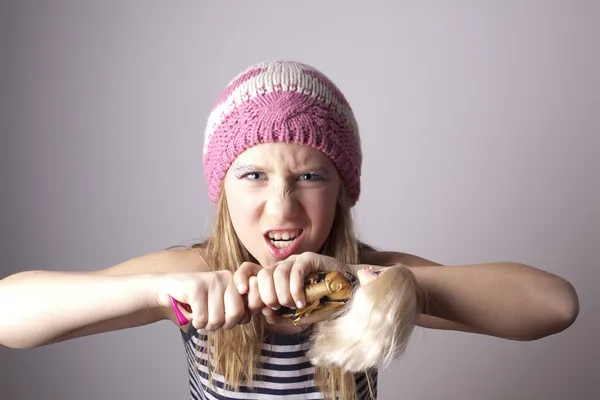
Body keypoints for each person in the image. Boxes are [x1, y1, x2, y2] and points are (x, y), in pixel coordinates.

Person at [0, 60, 579, 400]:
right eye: (253, 174)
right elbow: (8, 315)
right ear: (222, 189)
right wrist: (157, 290)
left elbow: (555, 305)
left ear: (343, 189)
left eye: (309, 175)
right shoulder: (200, 273)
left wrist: (363, 287)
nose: (282, 207)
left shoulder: (369, 277)